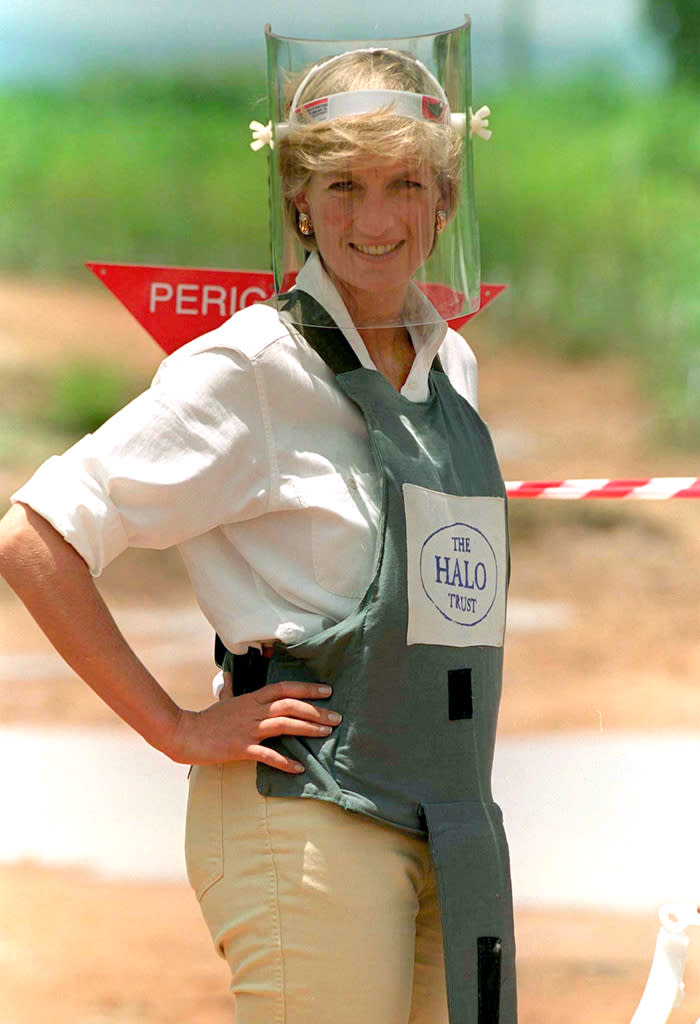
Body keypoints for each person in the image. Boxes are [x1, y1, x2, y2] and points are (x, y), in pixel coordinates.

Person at [0, 22, 515, 1024]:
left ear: (444, 200)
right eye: (342, 187)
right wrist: (176, 727)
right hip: (306, 812)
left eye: (403, 184)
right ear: (298, 207)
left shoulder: (453, 365)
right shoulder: (251, 368)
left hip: (447, 812)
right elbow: (36, 536)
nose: (375, 216)